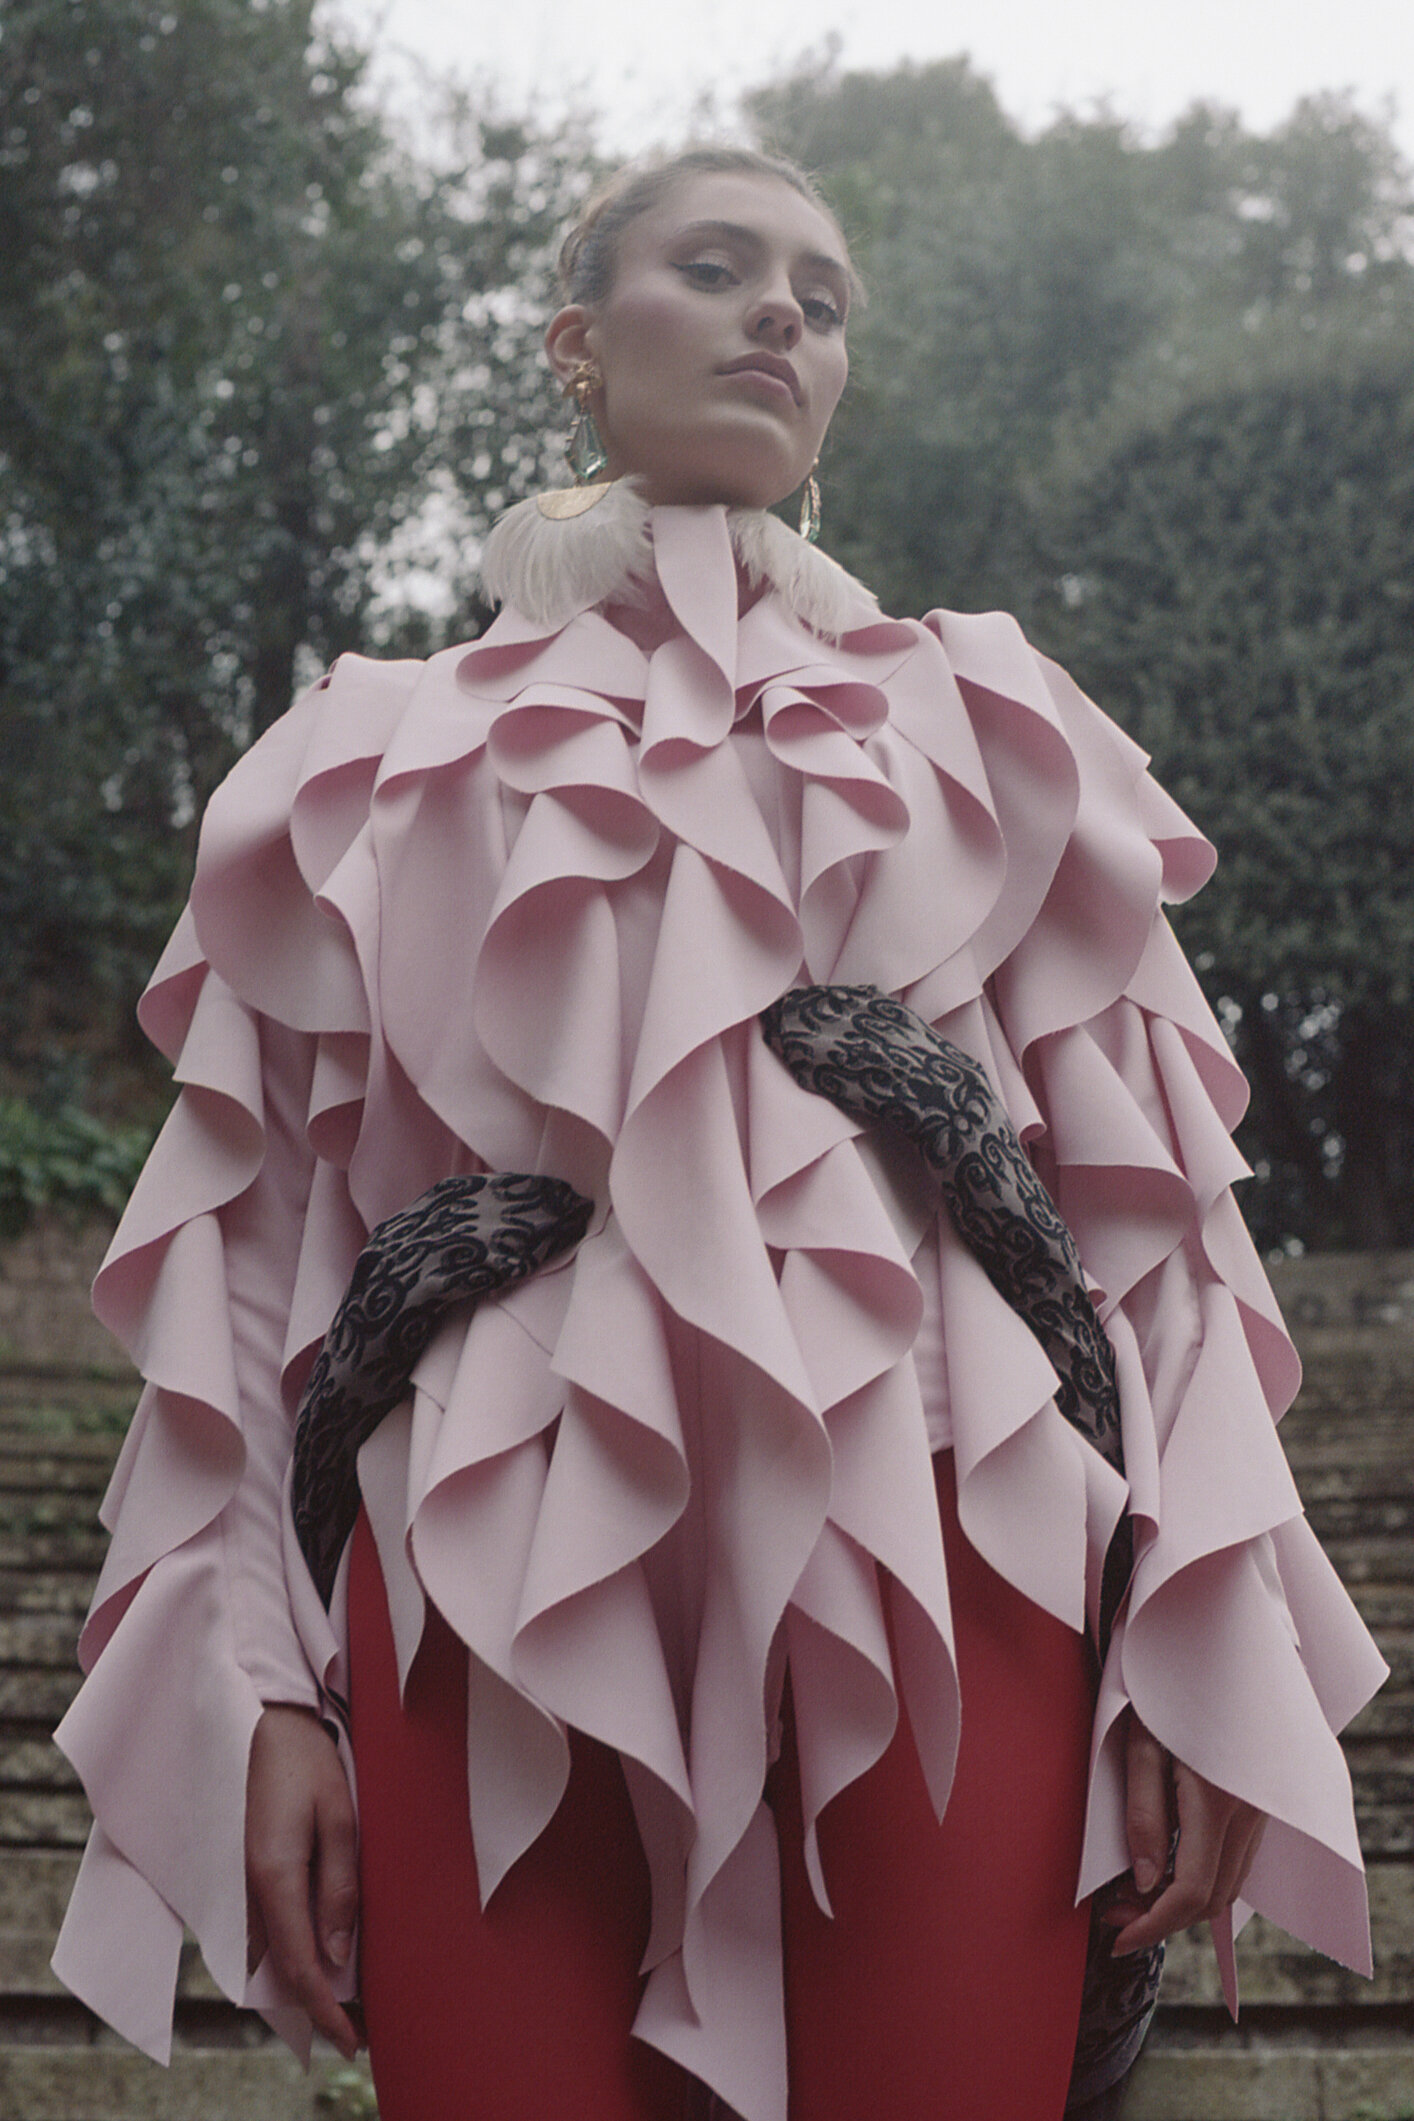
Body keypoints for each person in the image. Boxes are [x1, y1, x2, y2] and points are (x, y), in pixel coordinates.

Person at [53, 147, 1386, 2121]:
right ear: (576, 346)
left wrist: (1196, 1640)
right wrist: (254, 1681)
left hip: (956, 1539)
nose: (782, 310)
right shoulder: (356, 750)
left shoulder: (999, 725)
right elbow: (255, 1262)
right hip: (473, 1563)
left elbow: (1152, 1233)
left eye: (821, 296)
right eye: (717, 265)